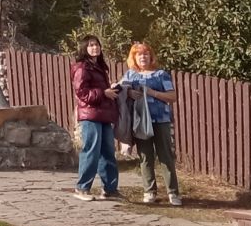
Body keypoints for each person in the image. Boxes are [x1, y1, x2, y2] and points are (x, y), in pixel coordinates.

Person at [120, 42, 181, 206]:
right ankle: (149, 192)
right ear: (134, 58)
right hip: (140, 121)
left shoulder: (161, 75)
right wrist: (129, 92)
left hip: (161, 120)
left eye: (146, 54)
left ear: (151, 56)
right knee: (145, 157)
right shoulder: (130, 75)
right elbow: (119, 90)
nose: (143, 57)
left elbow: (172, 96)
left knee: (166, 156)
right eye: (139, 54)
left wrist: (152, 92)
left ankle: (173, 193)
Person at [70, 35, 121, 201]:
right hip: (90, 115)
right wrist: (103, 93)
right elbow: (82, 93)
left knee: (108, 152)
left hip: (104, 113)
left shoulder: (99, 66)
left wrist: (110, 89)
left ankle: (110, 189)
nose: (95, 48)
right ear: (84, 48)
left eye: (97, 45)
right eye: (91, 45)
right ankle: (82, 188)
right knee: (91, 150)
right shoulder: (82, 67)